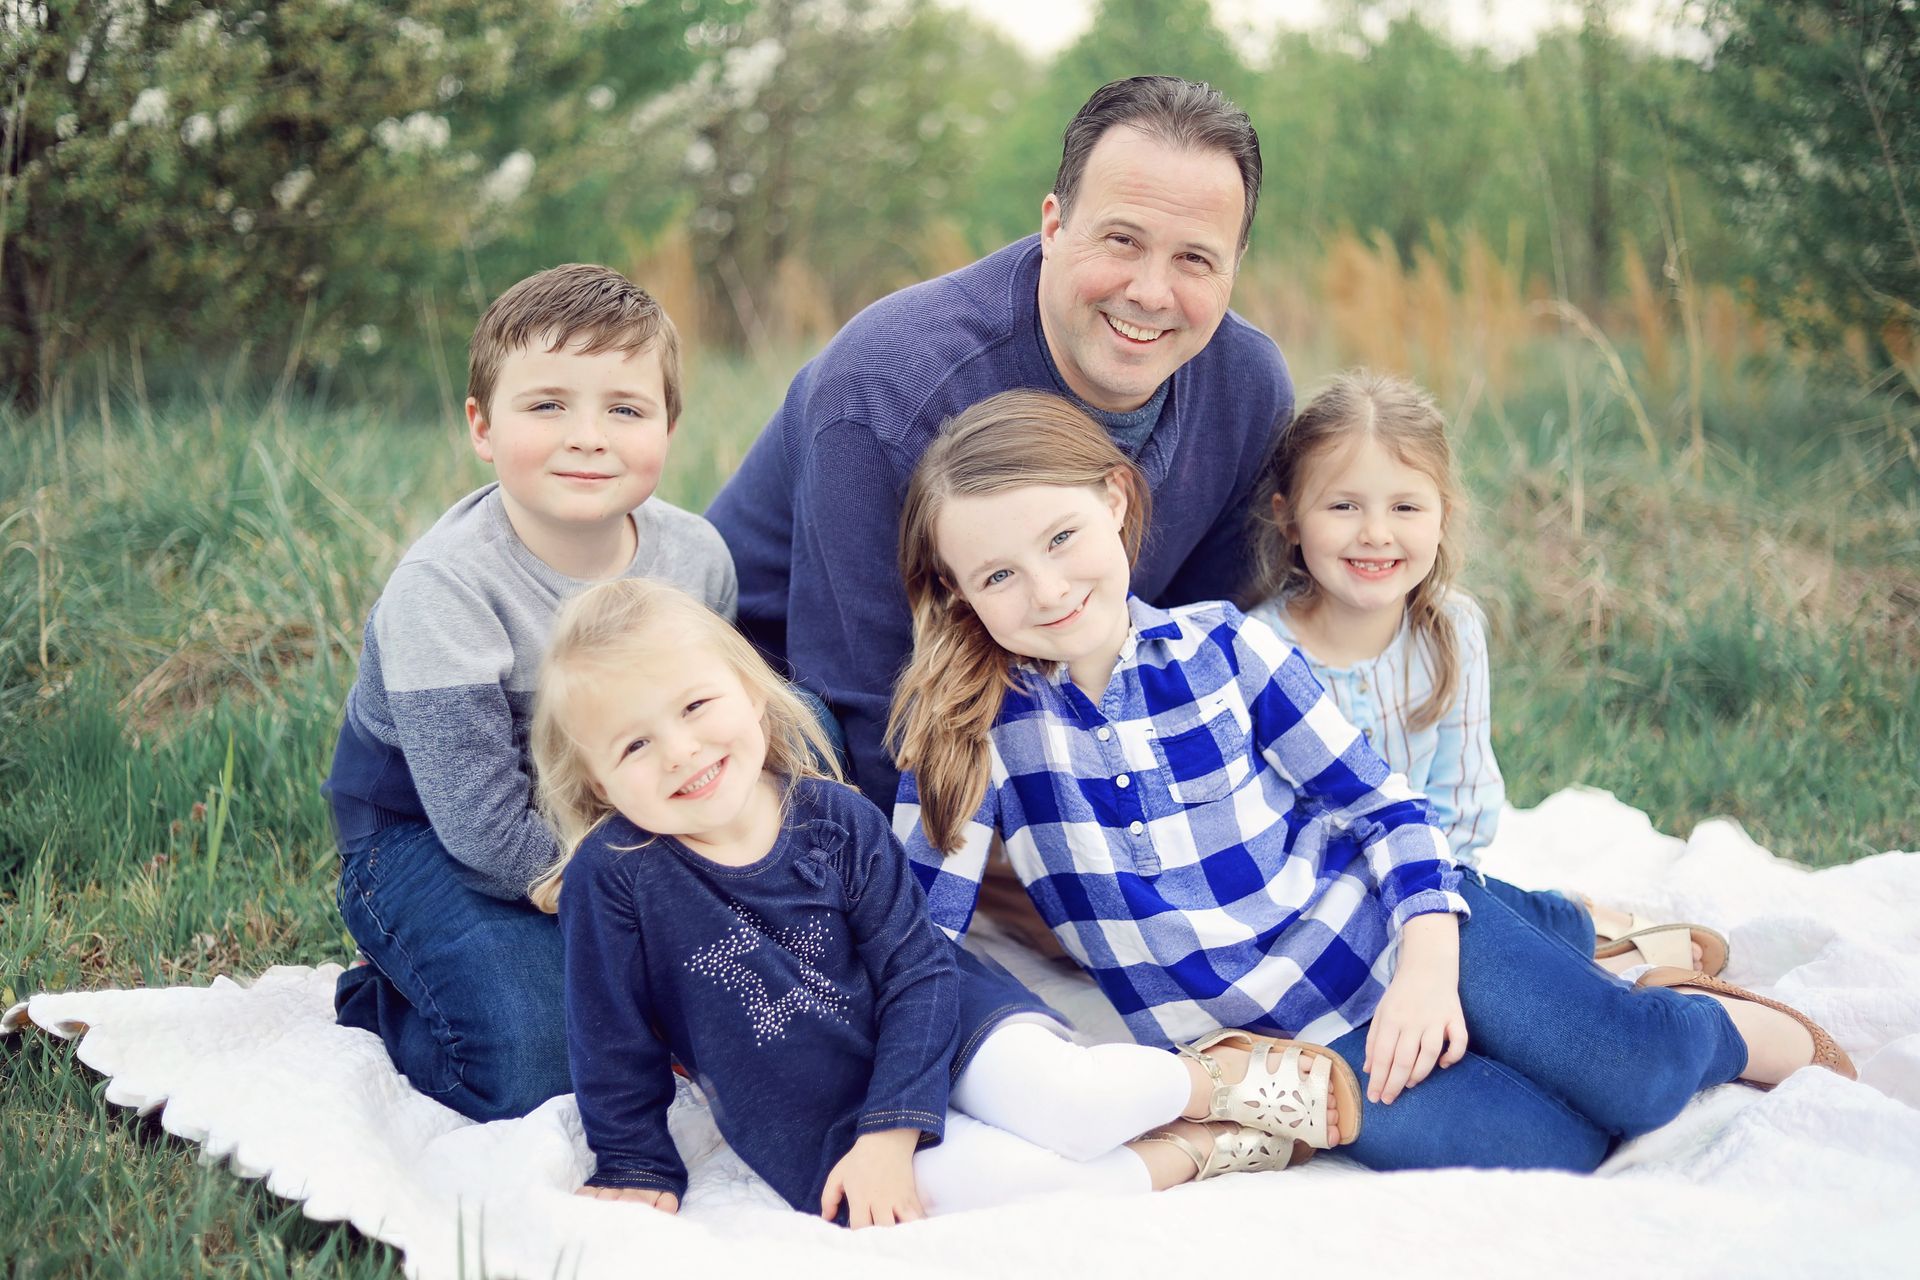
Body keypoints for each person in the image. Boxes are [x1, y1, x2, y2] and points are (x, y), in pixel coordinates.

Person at [889, 390, 1856, 1173]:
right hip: (1299, 1054)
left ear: (1113, 500)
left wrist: (1427, 971)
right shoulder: (969, 734)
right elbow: (918, 942)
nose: (1049, 589)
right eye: (999, 576)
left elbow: (1385, 807)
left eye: (1061, 538)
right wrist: (891, 1126)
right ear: (957, 593)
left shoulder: (1227, 648)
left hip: (1393, 928)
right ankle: (1565, 963)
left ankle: (1708, 1024)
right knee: (1554, 1149)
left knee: (1635, 1077)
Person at [531, 579, 1366, 1224]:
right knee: (1012, 1191)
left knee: (1072, 1107)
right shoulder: (618, 875)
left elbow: (917, 971)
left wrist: (894, 1129)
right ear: (598, 782)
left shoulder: (834, 820)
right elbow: (609, 1034)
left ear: (750, 692)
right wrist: (633, 1162)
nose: (681, 752)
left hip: (945, 1020)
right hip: (822, 1114)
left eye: (694, 706)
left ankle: (1213, 1078)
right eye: (635, 745)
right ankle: (1196, 1150)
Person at [707, 75, 1293, 813]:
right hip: (780, 717)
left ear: (1235, 265)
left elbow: (1195, 651)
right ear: (1053, 226)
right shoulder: (889, 386)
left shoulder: (1248, 390)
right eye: (1122, 240)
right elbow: (868, 717)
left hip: (1036, 712)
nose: (1150, 292)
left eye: (1195, 259)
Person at [324, 264, 736, 1122]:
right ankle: (387, 992)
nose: (588, 438)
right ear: (482, 426)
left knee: (802, 731)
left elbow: (717, 723)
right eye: (547, 405)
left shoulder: (696, 558)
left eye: (625, 410)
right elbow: (482, 828)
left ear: (669, 425)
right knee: (534, 1050)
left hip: (616, 799)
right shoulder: (446, 589)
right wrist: (647, 907)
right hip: (433, 833)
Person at [1242, 371, 1729, 976]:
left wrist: (1426, 909)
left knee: (1484, 957)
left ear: (1442, 516)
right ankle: (1578, 924)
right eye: (1343, 506)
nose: (1375, 533)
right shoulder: (1257, 651)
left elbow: (1462, 799)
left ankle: (1581, 931)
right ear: (1289, 518)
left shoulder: (1452, 629)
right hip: (1317, 909)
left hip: (1435, 884)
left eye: (1405, 507)